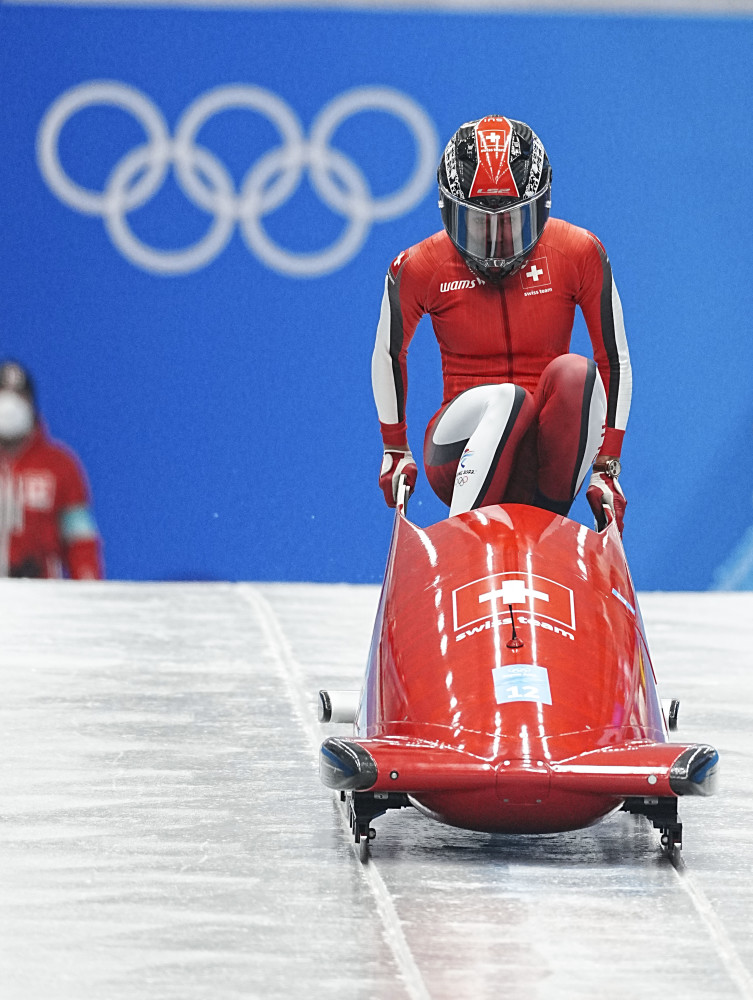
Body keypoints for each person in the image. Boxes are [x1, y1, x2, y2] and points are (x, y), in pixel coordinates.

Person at [371, 115, 631, 532]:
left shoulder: (579, 252)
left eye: (511, 223)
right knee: (509, 399)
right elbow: (388, 352)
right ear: (448, 211)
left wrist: (607, 466)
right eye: (477, 224)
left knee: (576, 373)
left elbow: (612, 359)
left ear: (541, 209)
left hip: (546, 459)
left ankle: (545, 531)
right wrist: (395, 447)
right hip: (455, 455)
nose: (494, 247)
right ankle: (463, 535)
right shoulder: (419, 266)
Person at [0, 360, 103, 578]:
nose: (9, 406)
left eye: (18, 397)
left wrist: (89, 587)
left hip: (41, 594)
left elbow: (80, 539)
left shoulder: (59, 465)